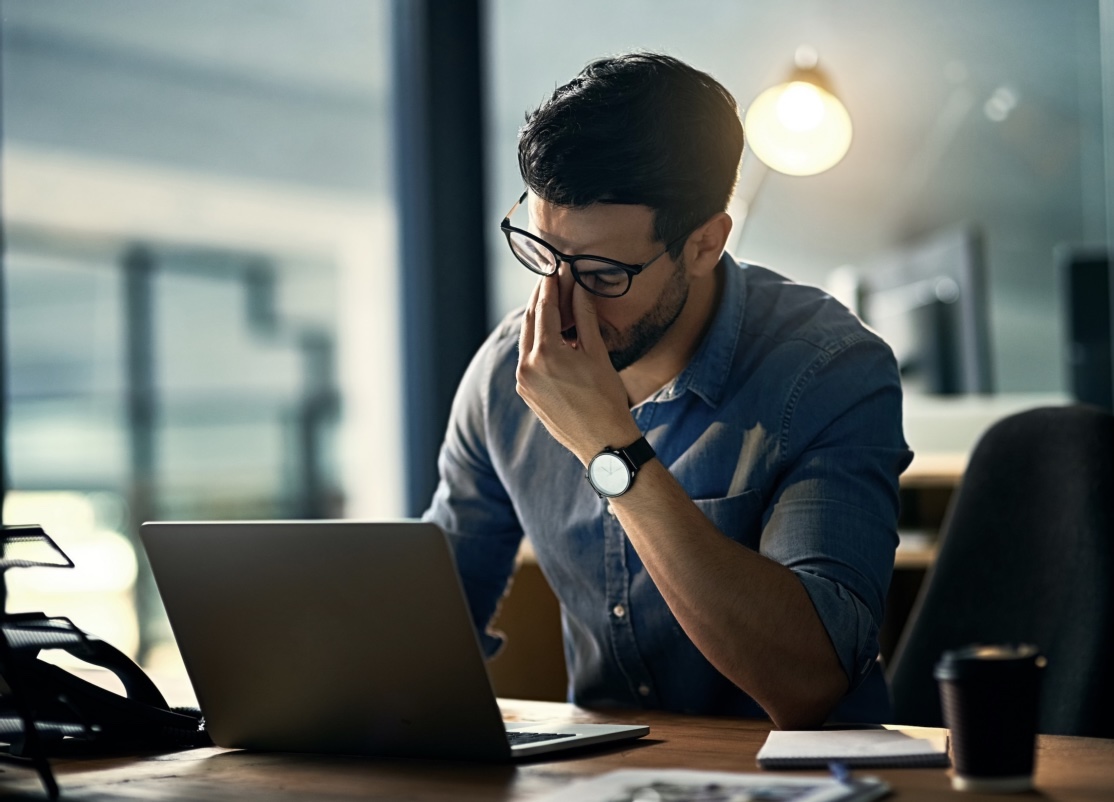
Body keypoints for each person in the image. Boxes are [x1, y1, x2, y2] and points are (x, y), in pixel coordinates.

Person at [424, 52, 912, 729]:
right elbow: (428, 625)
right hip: (600, 776)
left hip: (800, 779)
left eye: (600, 272)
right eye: (544, 254)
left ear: (706, 244)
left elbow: (810, 680)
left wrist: (608, 447)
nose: (562, 303)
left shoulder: (829, 371)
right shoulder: (510, 371)